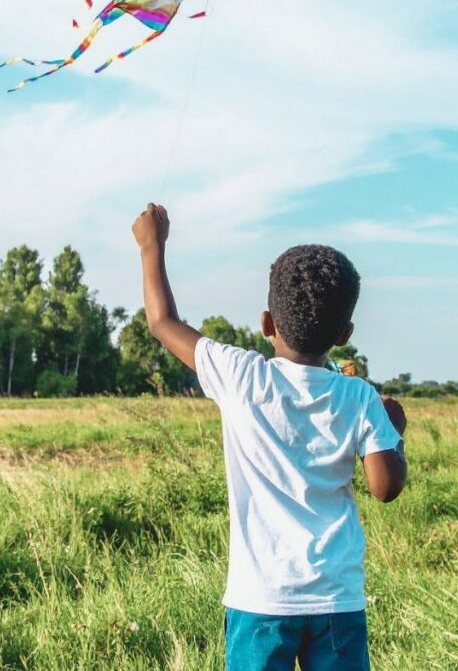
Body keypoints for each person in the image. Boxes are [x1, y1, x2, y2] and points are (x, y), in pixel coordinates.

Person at [132, 202, 407, 671]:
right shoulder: (358, 395)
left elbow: (162, 323)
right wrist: (394, 433)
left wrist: (151, 245)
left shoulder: (241, 376)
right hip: (336, 599)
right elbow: (385, 487)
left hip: (260, 599)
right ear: (345, 333)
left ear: (266, 324)